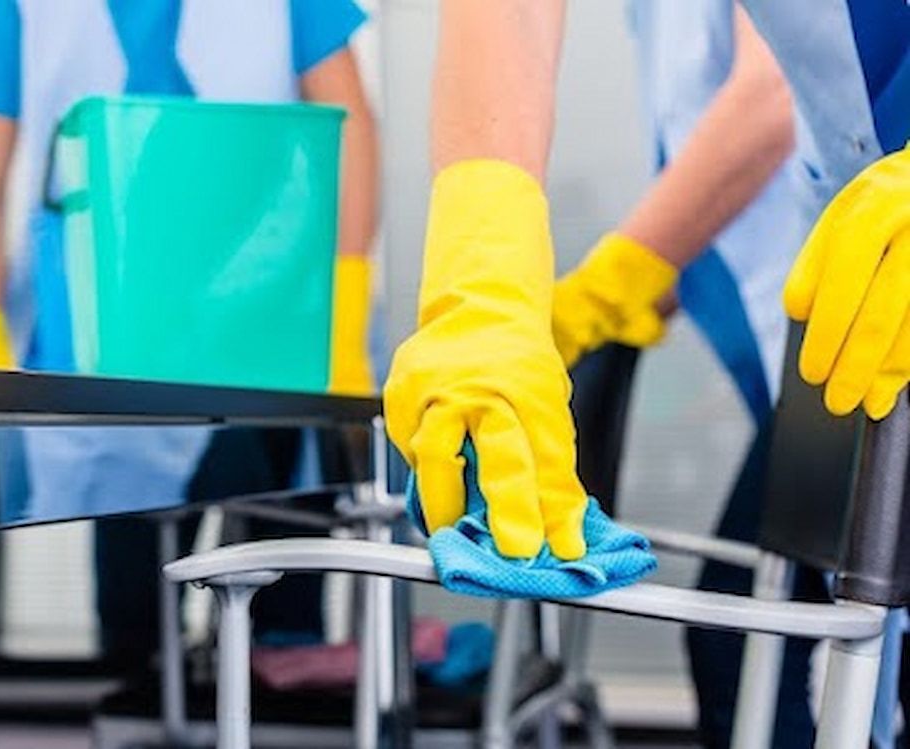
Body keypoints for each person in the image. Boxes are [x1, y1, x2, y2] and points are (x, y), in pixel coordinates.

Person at [383, 0, 907, 738]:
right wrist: (481, 278)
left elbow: (763, 98)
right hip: (866, 275)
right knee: (766, 646)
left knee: (757, 643)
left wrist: (613, 283)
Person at [0, 0, 378, 669]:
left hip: (260, 318)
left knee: (278, 558)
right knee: (135, 598)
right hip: (107, 338)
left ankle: (277, 668)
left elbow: (351, 129)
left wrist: (343, 309)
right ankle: (145, 677)